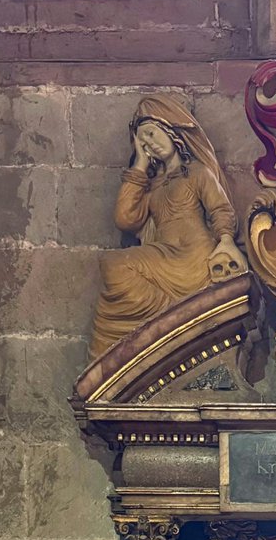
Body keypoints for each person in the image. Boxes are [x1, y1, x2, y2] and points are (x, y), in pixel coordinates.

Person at [89, 95, 247, 359]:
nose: (149, 142)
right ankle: (170, 316)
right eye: (142, 141)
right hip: (163, 257)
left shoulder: (197, 172)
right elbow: (125, 219)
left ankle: (172, 317)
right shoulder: (153, 186)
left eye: (151, 133)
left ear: (171, 129)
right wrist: (140, 164)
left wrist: (226, 241)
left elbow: (220, 209)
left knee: (115, 264)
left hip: (194, 259)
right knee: (113, 264)